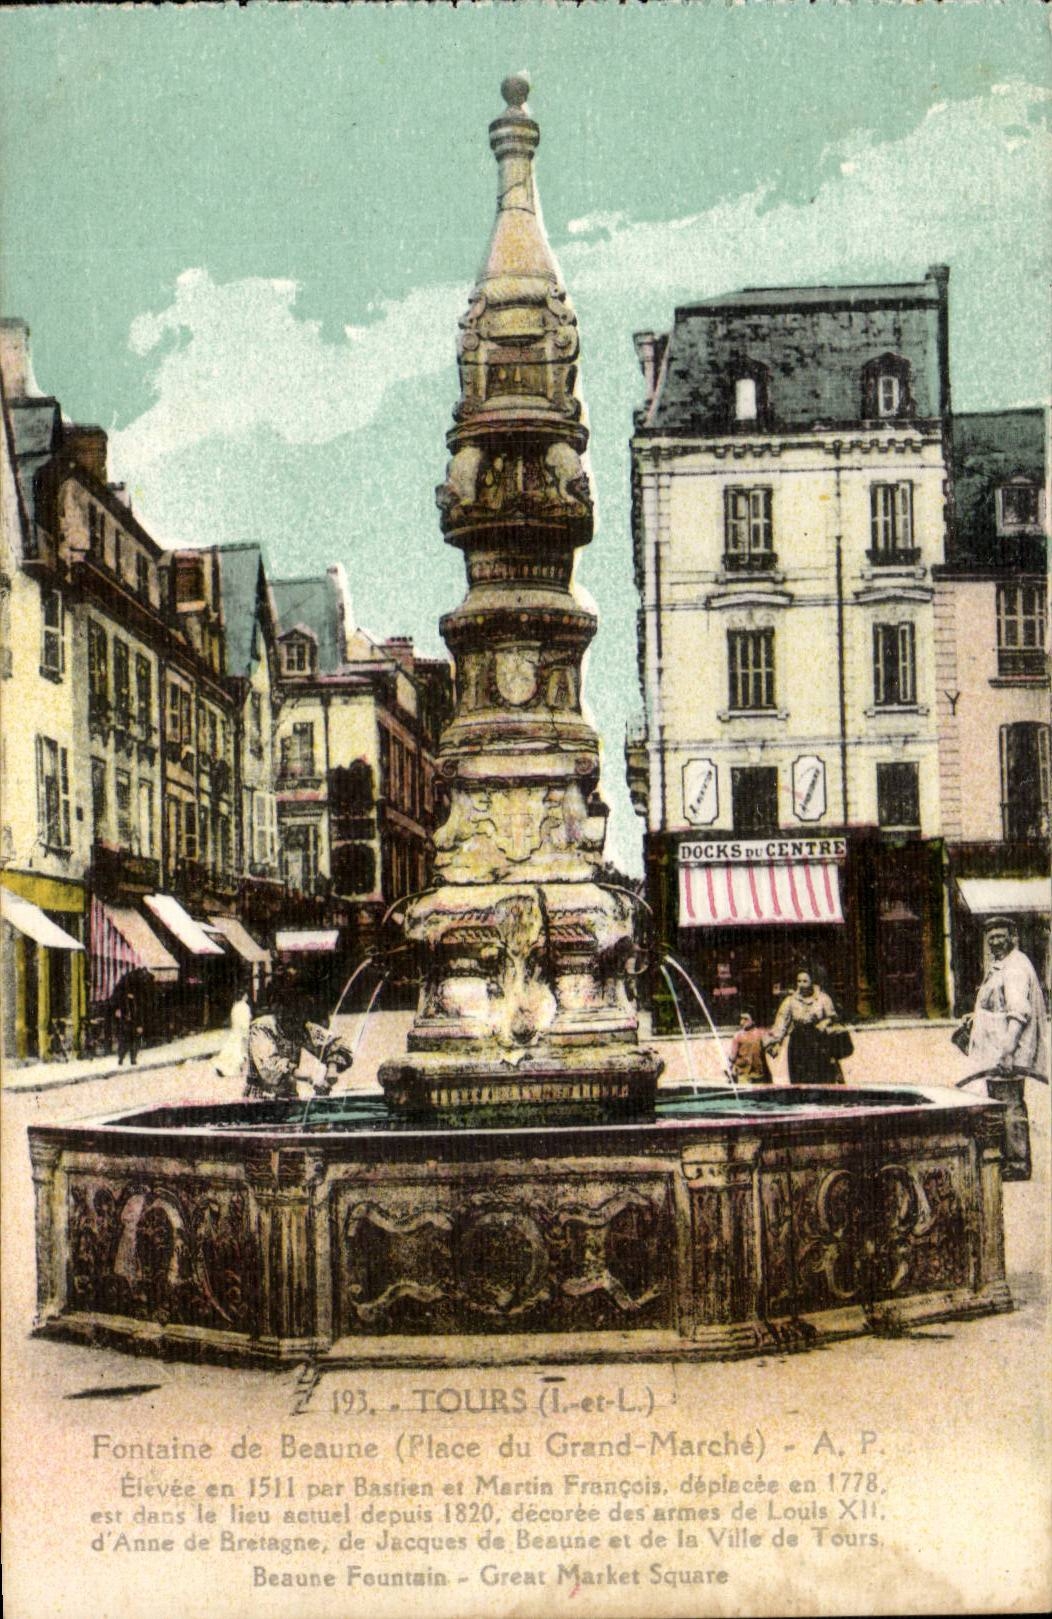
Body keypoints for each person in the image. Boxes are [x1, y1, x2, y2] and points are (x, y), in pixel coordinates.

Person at [967, 917, 1049, 1075]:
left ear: (1012, 938)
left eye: (1000, 936)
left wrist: (1007, 1053)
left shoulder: (1015, 967)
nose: (995, 942)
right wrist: (976, 1016)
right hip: (992, 1055)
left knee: (1004, 1098)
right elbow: (1002, 1004)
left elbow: (1018, 1014)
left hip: (1005, 1059)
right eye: (991, 938)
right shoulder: (1003, 964)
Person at [766, 968, 845, 1085]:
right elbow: (781, 1021)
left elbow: (833, 1018)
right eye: (799, 981)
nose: (801, 985)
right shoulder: (790, 1001)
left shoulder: (823, 998)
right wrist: (776, 1042)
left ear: (812, 982)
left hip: (819, 1043)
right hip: (798, 1044)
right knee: (799, 1078)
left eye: (805, 981)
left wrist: (825, 1022)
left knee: (822, 1077)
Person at [215, 987, 252, 1083]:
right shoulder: (245, 1007)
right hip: (241, 1031)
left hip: (235, 1031)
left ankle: (222, 1066)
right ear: (244, 996)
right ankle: (234, 1070)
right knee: (239, 1051)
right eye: (246, 994)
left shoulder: (235, 1006)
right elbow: (246, 1021)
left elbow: (233, 1019)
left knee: (230, 1049)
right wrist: (247, 1032)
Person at [728, 1011, 773, 1084]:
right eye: (741, 1019)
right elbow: (732, 1057)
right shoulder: (738, 1036)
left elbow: (772, 1051)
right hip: (743, 1075)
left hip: (758, 1076)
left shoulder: (761, 1034)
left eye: (745, 1019)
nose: (742, 1022)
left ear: (753, 1021)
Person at [113, 976, 143, 1068]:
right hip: (125, 1022)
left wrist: (140, 1025)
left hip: (133, 1022)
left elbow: (140, 1012)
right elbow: (116, 1010)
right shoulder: (121, 999)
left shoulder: (137, 1000)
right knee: (125, 1041)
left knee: (134, 1041)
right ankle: (121, 1058)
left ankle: (132, 1058)